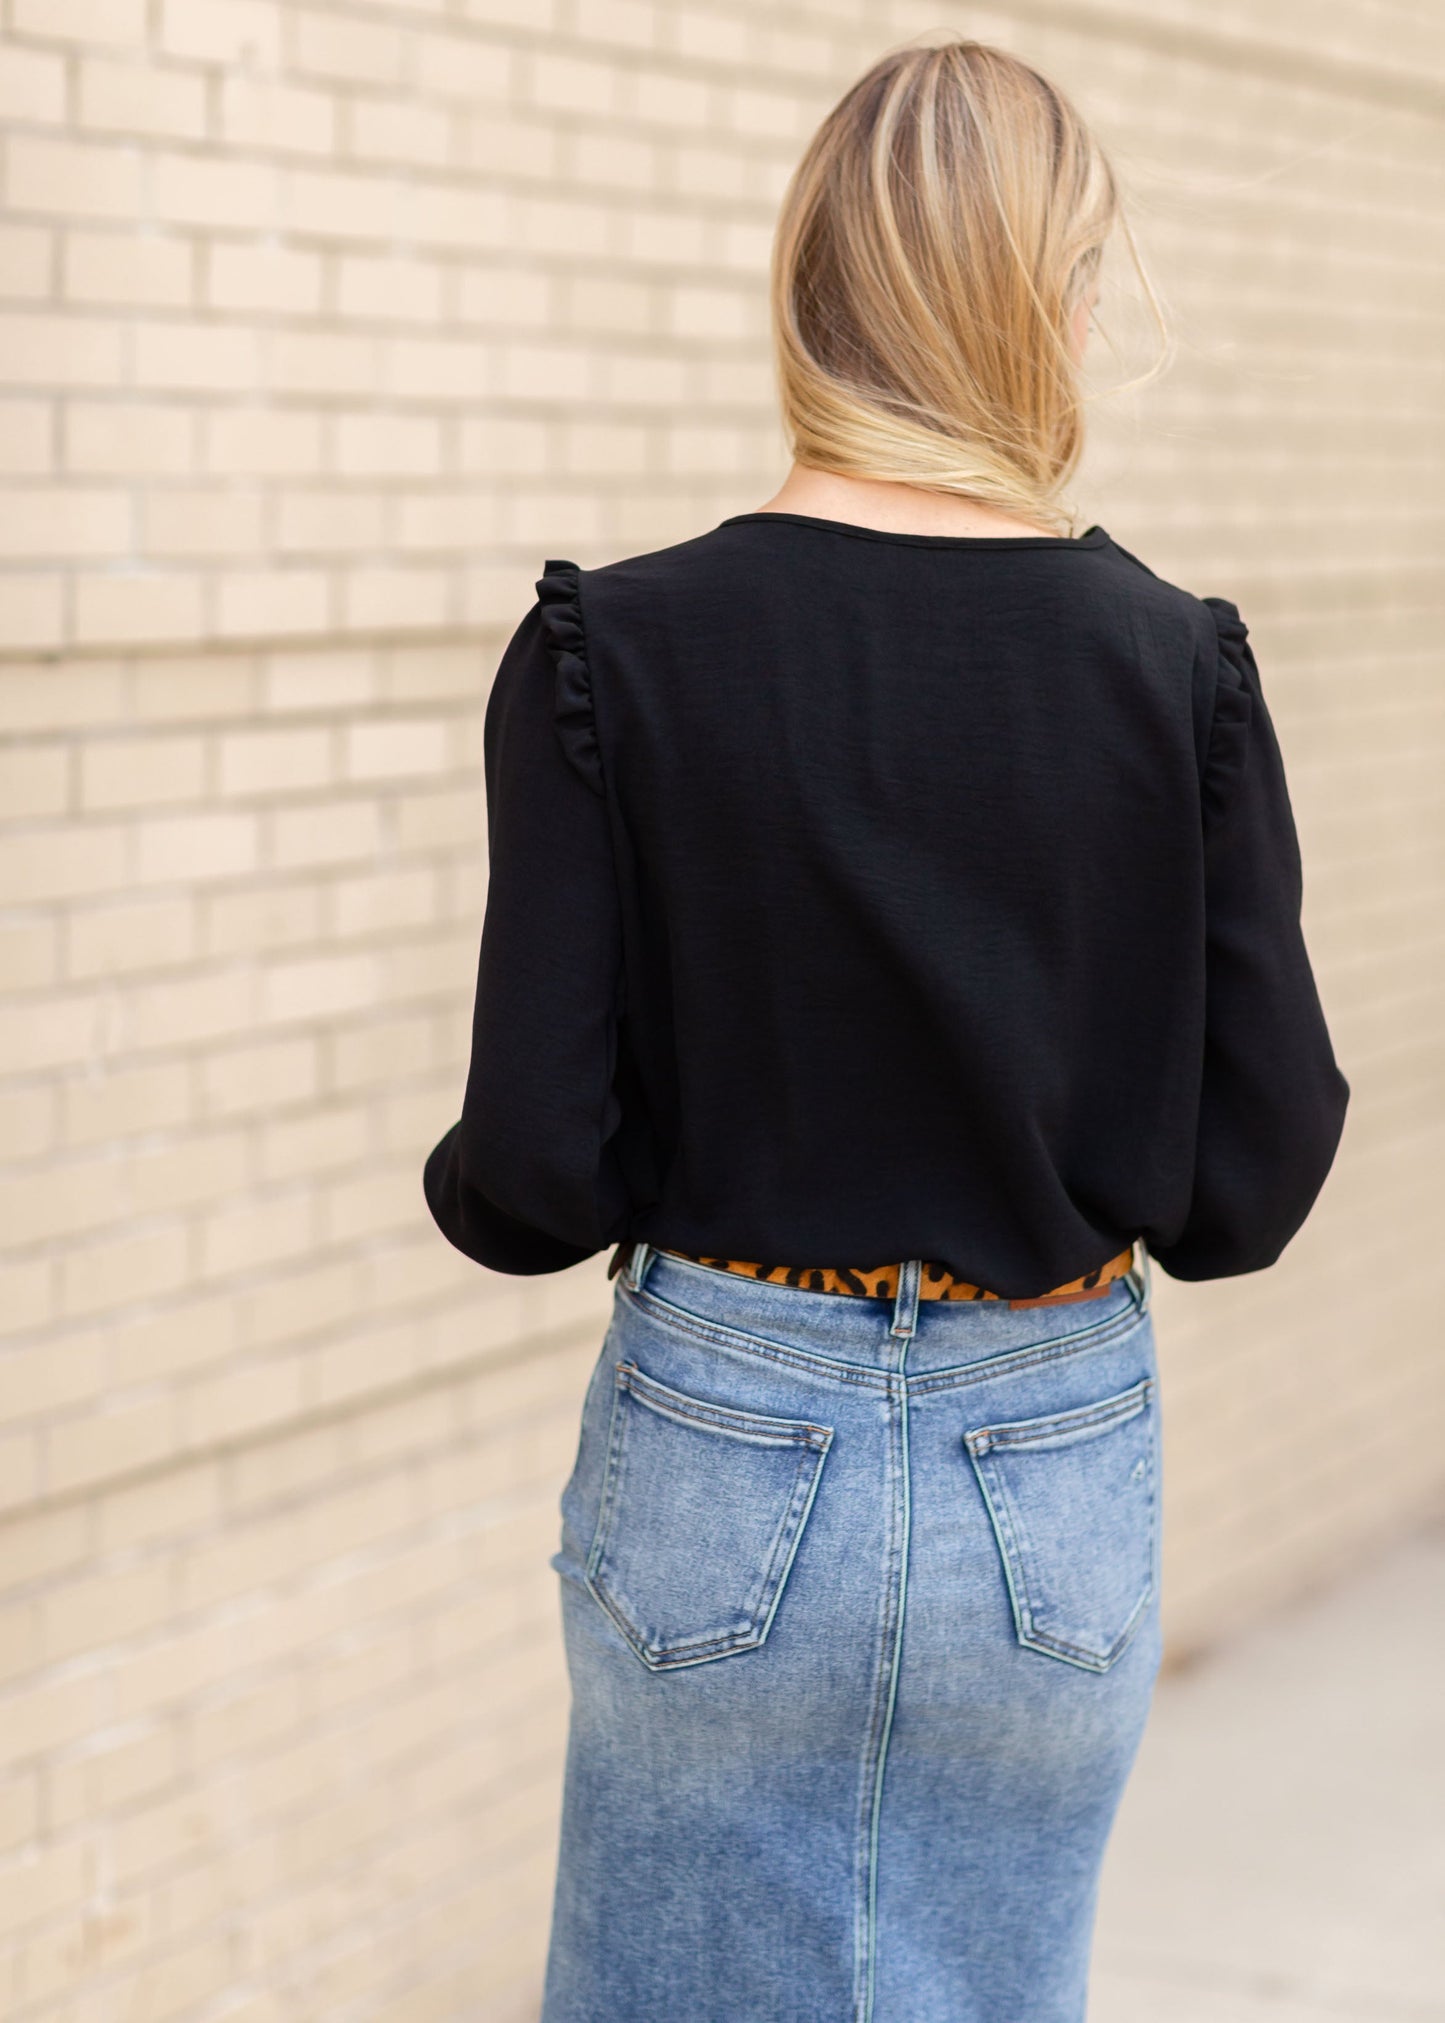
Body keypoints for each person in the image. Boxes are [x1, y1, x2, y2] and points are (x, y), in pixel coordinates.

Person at [422, 38, 1349, 2023]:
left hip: (723, 1434)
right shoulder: (1178, 666)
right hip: (1054, 1446)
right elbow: (1254, 1176)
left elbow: (528, 1170)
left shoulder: (613, 652)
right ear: (1052, 304)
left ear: (805, 291)